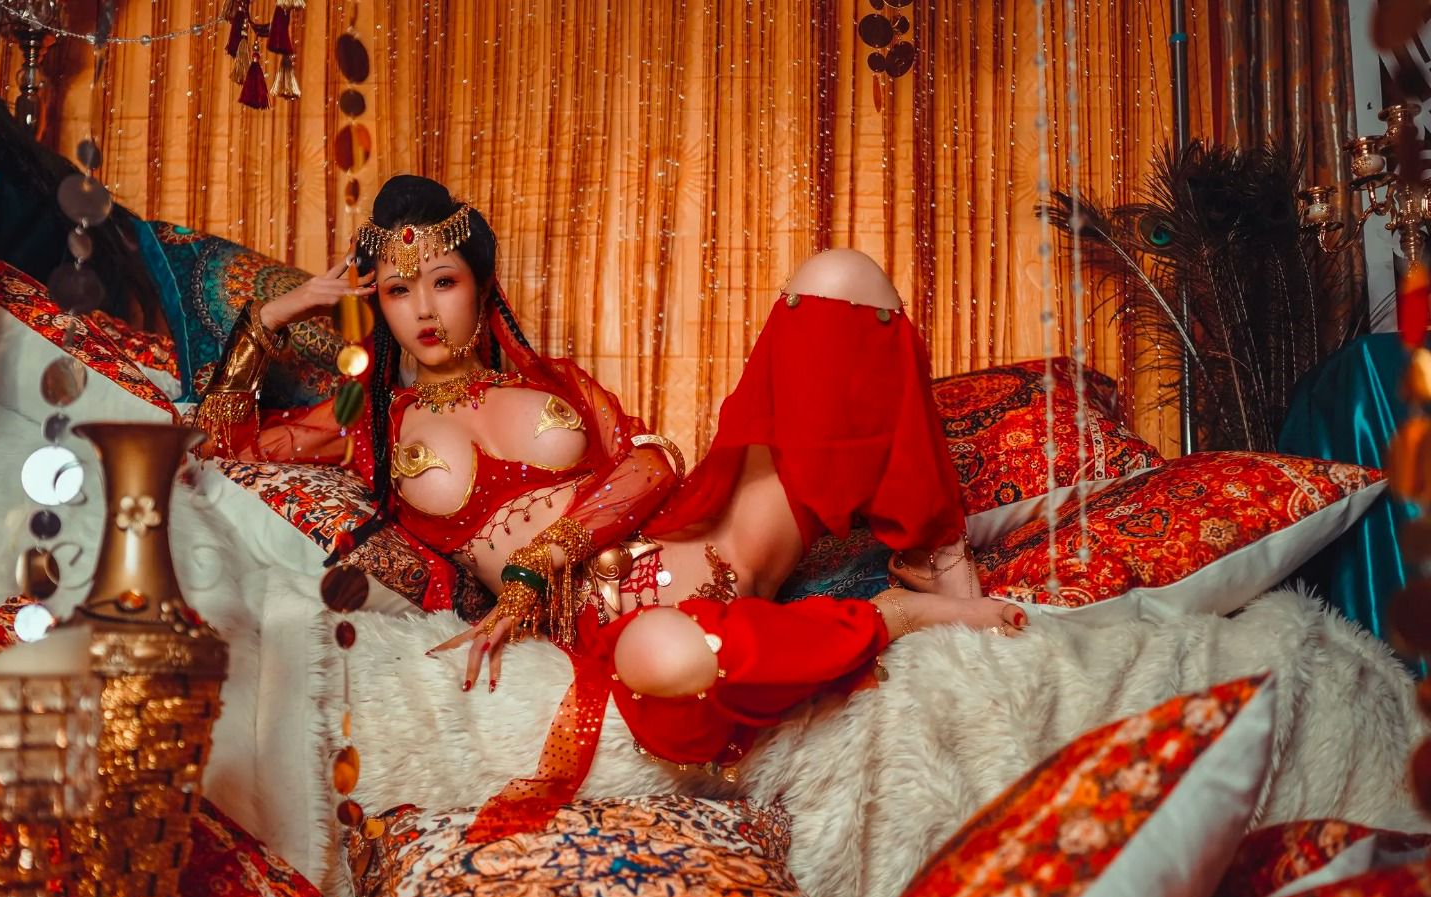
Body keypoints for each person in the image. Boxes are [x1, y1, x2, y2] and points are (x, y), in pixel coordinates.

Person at [194, 175, 1027, 838]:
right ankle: (895, 614)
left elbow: (654, 463)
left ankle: (936, 555)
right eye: (396, 292)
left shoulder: (552, 382)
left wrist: (540, 558)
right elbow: (217, 446)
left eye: (443, 282)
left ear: (479, 289)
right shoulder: (368, 426)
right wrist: (280, 312)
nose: (423, 310)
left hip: (712, 537)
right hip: (615, 621)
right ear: (375, 306)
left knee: (840, 278)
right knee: (661, 655)